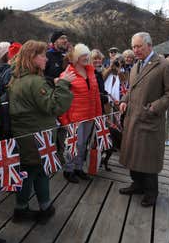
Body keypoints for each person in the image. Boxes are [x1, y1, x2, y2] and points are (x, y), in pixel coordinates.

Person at [8, 40, 74, 222]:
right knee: (36, 171)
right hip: (36, 136)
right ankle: (33, 208)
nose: (46, 58)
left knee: (31, 171)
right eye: (42, 55)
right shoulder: (35, 82)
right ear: (32, 57)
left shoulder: (17, 78)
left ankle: (30, 207)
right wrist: (63, 84)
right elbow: (55, 106)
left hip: (25, 135)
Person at [118, 32, 169, 206]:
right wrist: (124, 100)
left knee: (148, 158)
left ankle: (151, 192)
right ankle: (137, 184)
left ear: (150, 45)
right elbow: (132, 89)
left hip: (150, 119)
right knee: (133, 154)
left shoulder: (164, 65)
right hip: (132, 118)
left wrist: (154, 107)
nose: (135, 50)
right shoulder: (136, 65)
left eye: (139, 46)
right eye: (133, 47)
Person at [59, 44, 102, 183]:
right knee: (72, 144)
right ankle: (68, 169)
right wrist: (64, 120)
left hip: (89, 115)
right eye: (83, 55)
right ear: (76, 58)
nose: (86, 57)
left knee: (83, 143)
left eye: (87, 54)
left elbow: (96, 95)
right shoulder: (67, 74)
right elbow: (61, 100)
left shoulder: (91, 72)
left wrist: (98, 115)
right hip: (74, 117)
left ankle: (78, 168)